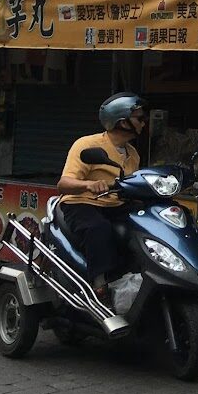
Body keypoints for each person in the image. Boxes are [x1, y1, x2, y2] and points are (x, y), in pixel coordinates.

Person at [55, 93, 147, 296]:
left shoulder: (133, 154)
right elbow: (64, 184)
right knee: (98, 227)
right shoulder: (87, 145)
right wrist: (90, 185)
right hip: (82, 203)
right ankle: (100, 283)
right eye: (139, 118)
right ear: (122, 122)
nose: (144, 123)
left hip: (116, 205)